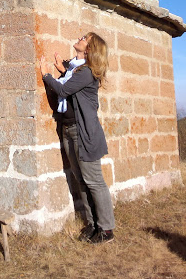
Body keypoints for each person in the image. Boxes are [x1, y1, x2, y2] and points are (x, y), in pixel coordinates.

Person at [39, 32, 115, 244]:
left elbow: (64, 88)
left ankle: (106, 229)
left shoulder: (87, 72)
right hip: (69, 129)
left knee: (94, 182)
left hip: (84, 133)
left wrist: (46, 75)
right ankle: (92, 224)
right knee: (81, 180)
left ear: (89, 49)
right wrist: (63, 69)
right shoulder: (78, 70)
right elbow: (70, 78)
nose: (80, 38)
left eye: (84, 39)